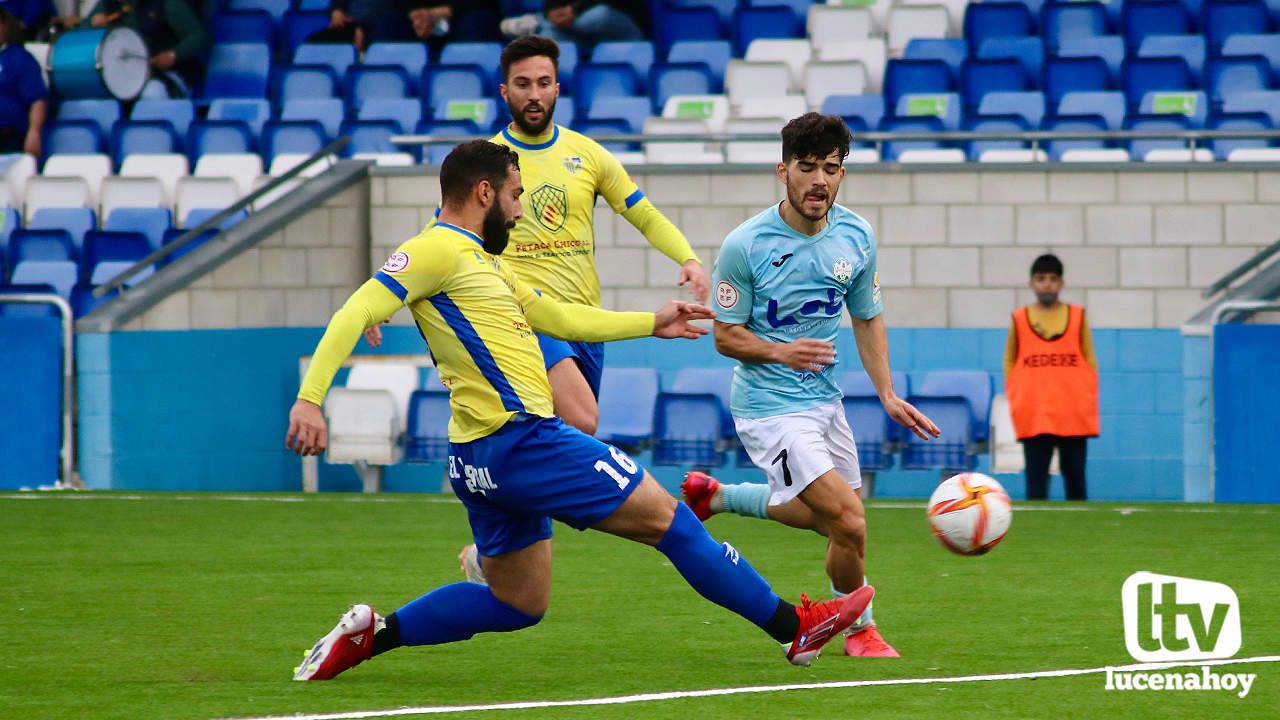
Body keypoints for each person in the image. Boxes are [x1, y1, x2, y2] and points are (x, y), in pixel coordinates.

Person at [286, 139, 874, 680]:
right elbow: (352, 311)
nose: (519, 213)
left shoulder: (485, 263)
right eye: (515, 196)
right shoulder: (434, 249)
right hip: (525, 442)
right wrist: (311, 401)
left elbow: (562, 319)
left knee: (517, 602)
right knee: (673, 522)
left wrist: (652, 322)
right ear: (484, 193)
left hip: (477, 456)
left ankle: (373, 634)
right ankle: (795, 629)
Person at [679, 113, 940, 659]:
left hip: (824, 401)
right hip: (767, 408)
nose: (819, 179)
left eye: (831, 168)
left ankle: (722, 496)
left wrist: (888, 394)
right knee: (849, 520)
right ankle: (858, 632)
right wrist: (780, 351)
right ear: (783, 171)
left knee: (832, 521)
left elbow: (868, 317)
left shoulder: (857, 236)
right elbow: (725, 338)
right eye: (807, 167)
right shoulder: (745, 246)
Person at [368, 35, 708, 436]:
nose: (534, 95)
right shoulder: (488, 160)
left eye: (543, 83)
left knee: (570, 437)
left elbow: (644, 215)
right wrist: (386, 291)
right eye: (523, 84)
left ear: (557, 89)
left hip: (584, 321)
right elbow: (440, 229)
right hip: (524, 317)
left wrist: (688, 258)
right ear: (504, 90)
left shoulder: (589, 154)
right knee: (581, 419)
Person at [1003, 253, 1098, 501]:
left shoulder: (1077, 317)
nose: (1047, 284)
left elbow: (1089, 360)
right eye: (1041, 278)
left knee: (1076, 481)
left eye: (1053, 279)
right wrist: (1016, 388)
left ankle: (1080, 533)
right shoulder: (1020, 318)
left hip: (1072, 414)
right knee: (1036, 484)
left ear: (1061, 283)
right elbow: (1010, 359)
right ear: (1031, 283)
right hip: (1036, 413)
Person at [81, 0, 211, 97]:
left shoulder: (166, 3)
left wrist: (174, 54)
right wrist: (91, 25)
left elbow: (199, 36)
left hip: (167, 75)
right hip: (121, 77)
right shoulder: (107, 5)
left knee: (152, 93)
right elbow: (79, 34)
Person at [0, 7, 47, 157]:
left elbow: (37, 100)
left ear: (4, 27)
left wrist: (34, 133)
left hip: (9, 140)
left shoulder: (20, 58)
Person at [500, 0, 645, 43]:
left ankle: (536, 22)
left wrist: (574, 10)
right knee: (548, 35)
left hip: (626, 30)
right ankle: (542, 23)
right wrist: (552, 13)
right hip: (581, 36)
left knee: (597, 16)